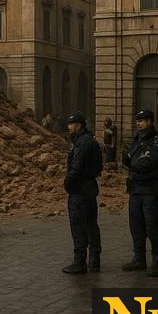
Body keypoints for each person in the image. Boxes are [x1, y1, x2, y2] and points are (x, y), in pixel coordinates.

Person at [120, 109, 158, 277]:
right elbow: (127, 159)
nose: (138, 123)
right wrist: (132, 161)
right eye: (137, 120)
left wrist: (133, 162)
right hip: (135, 189)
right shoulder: (137, 140)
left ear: (150, 122)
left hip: (149, 190)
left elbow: (148, 162)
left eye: (142, 120)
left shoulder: (157, 141)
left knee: (152, 226)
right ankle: (139, 259)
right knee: (136, 226)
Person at [61, 112, 103, 275]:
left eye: (71, 124)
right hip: (89, 188)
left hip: (80, 190)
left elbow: (76, 167)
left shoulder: (82, 143)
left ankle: (79, 262)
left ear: (78, 125)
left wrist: (68, 183)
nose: (69, 127)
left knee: (78, 226)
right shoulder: (90, 141)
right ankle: (94, 260)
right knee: (91, 224)